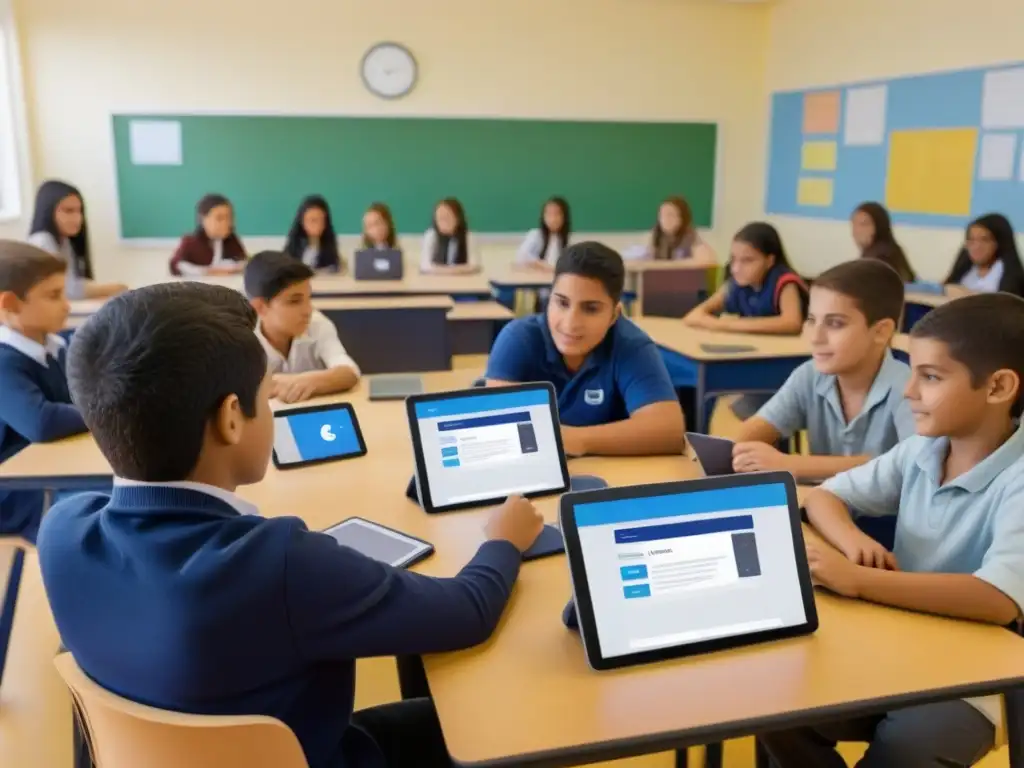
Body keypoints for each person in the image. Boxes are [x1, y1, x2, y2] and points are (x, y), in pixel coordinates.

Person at [36, 280, 545, 768]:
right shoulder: (283, 564)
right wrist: (504, 541)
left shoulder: (60, 531)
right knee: (492, 724)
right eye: (267, 395)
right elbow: (466, 613)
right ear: (232, 418)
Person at [760, 292, 1024, 768]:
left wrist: (859, 580)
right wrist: (852, 541)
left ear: (999, 386)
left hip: (978, 679)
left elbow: (997, 598)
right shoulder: (924, 449)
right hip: (894, 641)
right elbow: (824, 495)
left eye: (930, 377)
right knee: (770, 697)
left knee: (910, 746)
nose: (908, 391)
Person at [486, 241, 685, 457]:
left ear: (614, 315)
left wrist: (574, 439)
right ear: (549, 300)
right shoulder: (518, 338)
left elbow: (668, 429)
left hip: (606, 478)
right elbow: (499, 428)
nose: (570, 323)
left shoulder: (631, 345)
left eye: (590, 309)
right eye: (562, 303)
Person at [733, 260, 914, 484]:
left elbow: (907, 464)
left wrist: (793, 464)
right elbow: (756, 429)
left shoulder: (908, 388)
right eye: (811, 320)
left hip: (888, 518)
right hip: (825, 507)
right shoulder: (809, 376)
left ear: (881, 332)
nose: (816, 337)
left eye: (835, 323)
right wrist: (735, 451)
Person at [0, 241, 88, 542]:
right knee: (93, 507)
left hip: (46, 474)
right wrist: (103, 411)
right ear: (9, 304)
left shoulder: (53, 347)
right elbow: (41, 422)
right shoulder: (4, 360)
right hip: (13, 493)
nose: (66, 305)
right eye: (53, 296)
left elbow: (76, 397)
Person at [244, 251, 360, 403]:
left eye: (308, 298)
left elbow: (350, 372)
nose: (308, 310)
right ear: (260, 307)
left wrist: (311, 381)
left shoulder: (317, 324)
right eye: (294, 301)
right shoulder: (240, 335)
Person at [683, 221, 807, 334]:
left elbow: (791, 323)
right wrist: (719, 324)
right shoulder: (734, 283)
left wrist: (724, 325)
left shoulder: (785, 282)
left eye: (747, 260)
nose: (736, 268)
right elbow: (693, 316)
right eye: (733, 259)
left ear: (769, 260)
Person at [27, 180, 127, 299]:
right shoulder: (41, 241)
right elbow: (67, 290)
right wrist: (109, 289)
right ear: (48, 211)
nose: (77, 218)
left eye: (79, 211)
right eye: (69, 211)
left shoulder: (65, 241)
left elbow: (72, 283)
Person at [944, 213, 1024, 296]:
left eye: (985, 240)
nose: (976, 247)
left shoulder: (1007, 275)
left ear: (999, 243)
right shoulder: (964, 269)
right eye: (971, 240)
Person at [169, 194, 247, 276]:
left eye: (229, 217)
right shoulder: (191, 241)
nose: (226, 223)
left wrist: (236, 267)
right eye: (219, 218)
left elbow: (243, 261)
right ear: (203, 219)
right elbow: (176, 265)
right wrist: (208, 271)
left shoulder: (231, 239)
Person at [635, 196, 716, 263]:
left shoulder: (690, 236)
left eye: (670, 215)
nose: (665, 219)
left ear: (681, 218)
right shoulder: (656, 235)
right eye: (662, 215)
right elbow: (646, 258)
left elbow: (707, 259)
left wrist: (678, 263)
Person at [851, 202, 916, 282]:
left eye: (864, 224)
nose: (856, 231)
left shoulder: (881, 257)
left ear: (878, 226)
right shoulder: (890, 250)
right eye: (854, 224)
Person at [283, 195, 342, 273]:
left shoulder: (329, 246)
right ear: (302, 221)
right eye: (313, 220)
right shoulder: (294, 246)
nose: (318, 226)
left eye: (322, 220)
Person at [420, 198, 478, 274]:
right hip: (436, 281)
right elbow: (425, 265)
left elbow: (474, 265)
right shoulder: (431, 235)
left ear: (457, 218)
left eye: (447, 217)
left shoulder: (468, 236)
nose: (442, 221)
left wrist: (443, 270)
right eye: (439, 218)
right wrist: (453, 270)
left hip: (463, 281)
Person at [515, 197, 571, 271]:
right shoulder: (535, 235)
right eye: (549, 214)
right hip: (538, 279)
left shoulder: (571, 239)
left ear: (564, 217)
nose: (553, 219)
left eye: (557, 214)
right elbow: (521, 256)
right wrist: (543, 265)